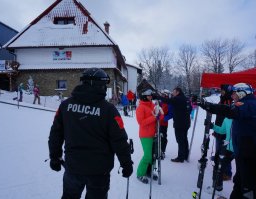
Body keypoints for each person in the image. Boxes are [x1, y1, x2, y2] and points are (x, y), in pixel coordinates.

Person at [48, 68, 133, 199]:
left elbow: (55, 134)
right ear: (98, 85)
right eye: (104, 85)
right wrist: (126, 163)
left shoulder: (66, 105)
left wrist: (55, 156)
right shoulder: (109, 110)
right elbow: (119, 140)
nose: (105, 88)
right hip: (97, 171)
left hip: (74, 167)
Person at [199, 82, 256, 199]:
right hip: (249, 152)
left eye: (234, 94)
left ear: (243, 93)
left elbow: (229, 110)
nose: (232, 96)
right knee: (239, 183)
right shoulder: (253, 105)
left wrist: (209, 106)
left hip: (253, 154)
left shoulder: (247, 105)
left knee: (250, 190)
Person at [154, 87, 191, 163]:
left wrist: (157, 96)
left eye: (174, 92)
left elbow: (168, 101)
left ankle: (181, 157)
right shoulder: (186, 99)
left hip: (179, 123)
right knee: (184, 139)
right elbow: (190, 109)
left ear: (177, 92)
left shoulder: (177, 98)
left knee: (180, 140)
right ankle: (185, 155)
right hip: (186, 122)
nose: (173, 93)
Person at [136, 88, 163, 184]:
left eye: (151, 95)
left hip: (154, 134)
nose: (150, 97)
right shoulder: (141, 107)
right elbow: (141, 122)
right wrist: (154, 117)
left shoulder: (152, 105)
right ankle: (140, 173)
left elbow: (159, 117)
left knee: (153, 155)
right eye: (148, 95)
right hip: (145, 135)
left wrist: (160, 113)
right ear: (144, 96)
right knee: (147, 156)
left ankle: (148, 171)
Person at [212, 84, 233, 180]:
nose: (221, 92)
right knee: (218, 151)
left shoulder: (230, 101)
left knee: (225, 153)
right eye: (221, 90)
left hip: (225, 131)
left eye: (223, 90)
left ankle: (227, 173)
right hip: (219, 128)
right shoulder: (222, 99)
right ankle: (219, 168)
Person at [209, 117, 234, 191]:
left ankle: (218, 187)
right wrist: (213, 126)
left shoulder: (241, 118)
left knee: (220, 167)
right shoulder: (226, 119)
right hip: (227, 147)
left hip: (237, 148)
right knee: (218, 164)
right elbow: (222, 131)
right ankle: (217, 186)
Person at [159, 89, 170, 159]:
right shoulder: (162, 102)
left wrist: (164, 118)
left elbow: (168, 113)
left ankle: (162, 151)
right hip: (158, 122)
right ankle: (159, 149)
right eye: (161, 94)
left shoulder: (167, 103)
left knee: (163, 137)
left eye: (163, 95)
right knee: (158, 136)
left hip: (163, 123)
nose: (162, 96)